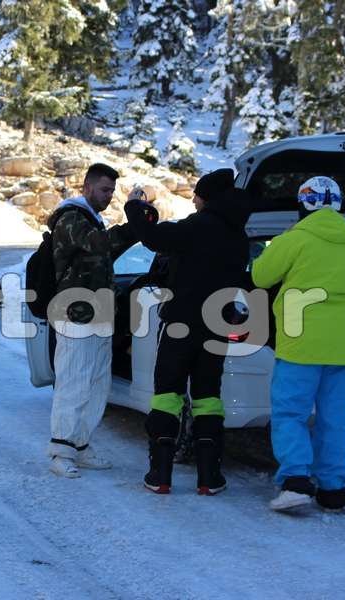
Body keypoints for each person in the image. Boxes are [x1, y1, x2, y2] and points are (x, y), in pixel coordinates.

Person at [124, 168, 249, 495]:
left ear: (206, 197)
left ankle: (160, 474)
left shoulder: (197, 226)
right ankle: (210, 477)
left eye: (196, 195)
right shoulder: (238, 235)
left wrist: (135, 208)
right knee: (209, 398)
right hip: (217, 326)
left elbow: (152, 237)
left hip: (181, 324)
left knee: (168, 394)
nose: (192, 201)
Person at [251, 177, 345, 512]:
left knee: (291, 413)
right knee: (335, 418)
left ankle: (296, 480)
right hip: (343, 344)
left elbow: (260, 276)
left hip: (301, 339)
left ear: (304, 204)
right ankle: (333, 488)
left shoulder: (296, 239)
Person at [46, 163, 137, 478]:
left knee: (98, 383)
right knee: (73, 381)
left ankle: (80, 445)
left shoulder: (94, 220)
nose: (109, 196)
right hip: (75, 314)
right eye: (104, 190)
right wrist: (132, 226)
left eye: (112, 191)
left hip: (99, 314)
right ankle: (61, 449)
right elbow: (102, 245)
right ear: (86, 188)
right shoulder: (70, 218)